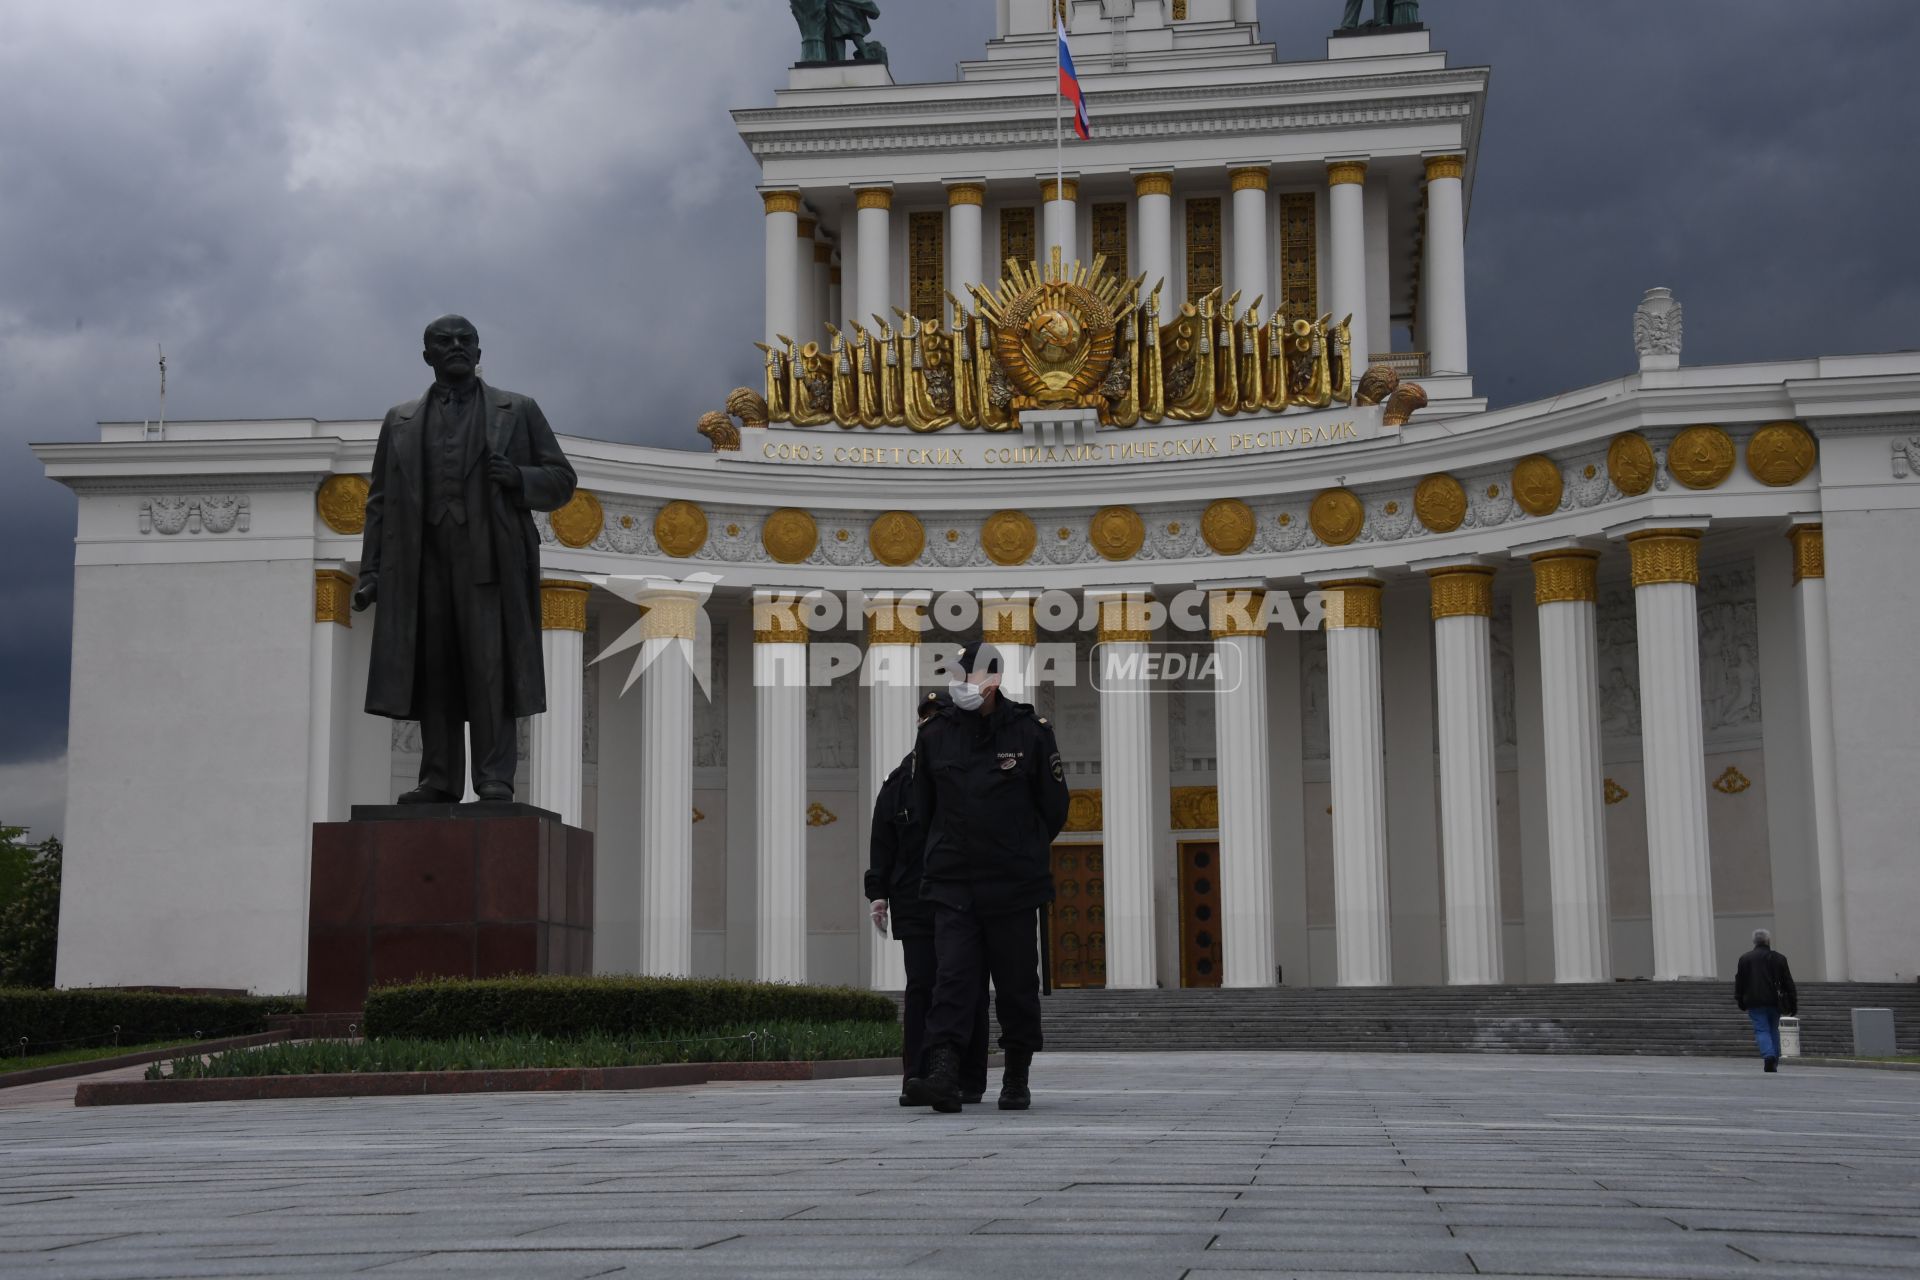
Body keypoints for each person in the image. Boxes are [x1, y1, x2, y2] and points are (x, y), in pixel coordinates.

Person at [352, 315, 577, 802]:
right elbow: (381, 501)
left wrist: (519, 478)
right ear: (427, 355)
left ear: (479, 353)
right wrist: (371, 572)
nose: (456, 347)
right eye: (443, 341)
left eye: (465, 341)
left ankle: (494, 777)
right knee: (436, 671)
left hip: (491, 563)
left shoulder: (518, 410)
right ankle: (437, 778)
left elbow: (562, 480)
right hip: (422, 563)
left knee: (490, 668)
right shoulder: (400, 421)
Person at [903, 641, 1070, 1112]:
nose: (958, 684)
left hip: (1013, 885)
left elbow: (1054, 807)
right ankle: (944, 1073)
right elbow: (923, 807)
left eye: (967, 676)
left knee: (1016, 983)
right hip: (955, 883)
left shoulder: (1030, 733)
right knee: (952, 979)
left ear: (993, 679)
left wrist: (1023, 850)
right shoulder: (935, 735)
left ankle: (1016, 1073)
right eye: (954, 675)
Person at [865, 692, 989, 1106]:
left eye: (938, 718)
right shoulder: (900, 780)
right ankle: (916, 1074)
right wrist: (877, 895)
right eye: (926, 719)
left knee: (963, 984)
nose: (930, 726)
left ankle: (967, 1076)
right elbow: (883, 841)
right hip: (915, 899)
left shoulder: (966, 776)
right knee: (921, 985)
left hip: (960, 896)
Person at [1734, 928, 1799, 1073]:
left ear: (1754, 942)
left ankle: (1768, 1055)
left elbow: (1740, 981)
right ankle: (1773, 1059)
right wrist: (1793, 1002)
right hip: (1775, 1001)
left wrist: (1739, 999)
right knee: (1773, 1030)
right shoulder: (1779, 958)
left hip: (1754, 1001)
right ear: (1768, 941)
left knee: (1761, 1029)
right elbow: (1788, 982)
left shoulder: (1745, 959)